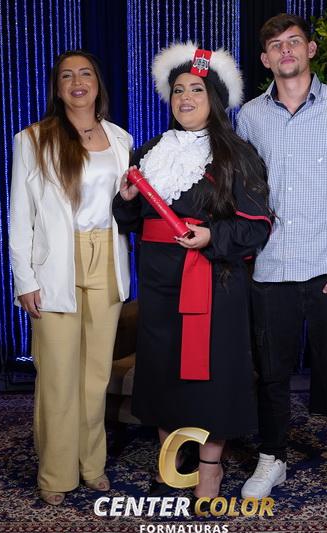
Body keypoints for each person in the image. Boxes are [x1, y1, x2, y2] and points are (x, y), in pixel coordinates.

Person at [236, 14, 327, 515]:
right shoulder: (249, 117)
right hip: (270, 271)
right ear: (265, 59)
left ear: (311, 49)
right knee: (271, 378)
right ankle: (272, 458)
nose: (286, 51)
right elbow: (245, 195)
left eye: (293, 41)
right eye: (275, 45)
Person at [112, 42, 271, 499]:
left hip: (214, 280)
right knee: (163, 370)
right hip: (159, 282)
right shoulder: (150, 151)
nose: (185, 97)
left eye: (196, 89)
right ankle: (171, 457)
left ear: (214, 97)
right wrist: (125, 201)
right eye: (179, 89)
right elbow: (130, 220)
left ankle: (209, 468)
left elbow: (257, 226)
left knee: (210, 374)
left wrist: (211, 237)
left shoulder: (237, 154)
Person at [8, 50, 133, 506]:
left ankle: (91, 464)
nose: (77, 82)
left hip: (107, 259)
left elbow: (124, 207)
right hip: (55, 265)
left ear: (97, 83)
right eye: (67, 76)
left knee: (96, 375)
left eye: (85, 74)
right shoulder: (33, 139)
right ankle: (56, 474)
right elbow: (19, 216)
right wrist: (25, 279)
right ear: (58, 88)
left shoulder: (120, 138)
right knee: (59, 374)